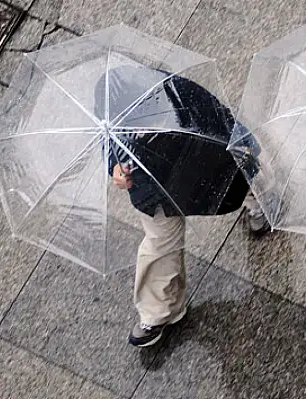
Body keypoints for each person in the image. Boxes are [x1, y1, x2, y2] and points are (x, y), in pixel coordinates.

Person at [97, 66, 263, 347]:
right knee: (160, 244)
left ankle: (260, 202)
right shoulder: (110, 102)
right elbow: (107, 142)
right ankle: (159, 312)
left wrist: (246, 146)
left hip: (197, 162)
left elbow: (219, 119)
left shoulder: (176, 92)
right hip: (152, 189)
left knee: (235, 182)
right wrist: (115, 167)